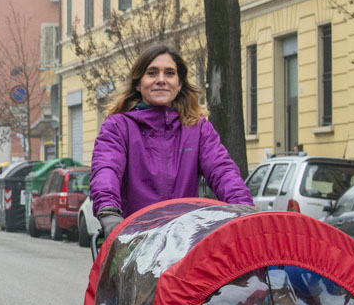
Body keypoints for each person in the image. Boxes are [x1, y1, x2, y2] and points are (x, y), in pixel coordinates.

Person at [89, 44, 252, 239]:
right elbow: (107, 169)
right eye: (152, 73)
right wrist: (108, 211)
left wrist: (245, 209)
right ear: (138, 84)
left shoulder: (197, 128)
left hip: (186, 241)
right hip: (134, 240)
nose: (161, 80)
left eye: (169, 73)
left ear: (179, 83)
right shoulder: (118, 127)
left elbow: (222, 170)